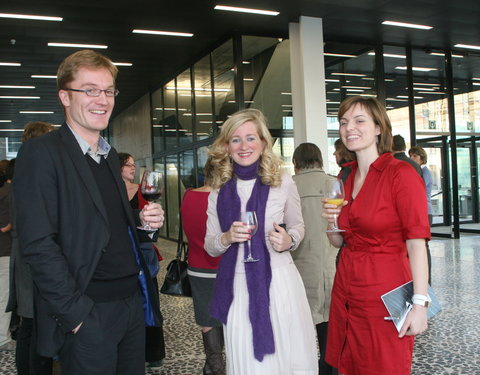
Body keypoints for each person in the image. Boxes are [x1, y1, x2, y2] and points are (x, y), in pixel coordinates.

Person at [14, 49, 164, 375]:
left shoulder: (108, 157)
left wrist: (142, 225)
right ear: (65, 97)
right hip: (89, 310)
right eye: (90, 90)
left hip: (130, 303)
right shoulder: (41, 153)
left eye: (108, 90)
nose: (103, 99)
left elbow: (104, 226)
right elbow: (38, 244)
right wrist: (76, 315)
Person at [205, 108, 318, 375]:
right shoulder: (218, 191)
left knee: (287, 359)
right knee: (249, 365)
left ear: (264, 142)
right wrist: (226, 237)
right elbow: (210, 244)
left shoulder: (283, 182)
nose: (244, 146)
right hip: (237, 287)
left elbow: (299, 226)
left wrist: (288, 240)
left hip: (280, 284)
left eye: (251, 138)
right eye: (236, 139)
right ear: (227, 146)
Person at [323, 96, 430, 375]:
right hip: (347, 288)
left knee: (385, 366)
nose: (349, 128)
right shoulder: (344, 177)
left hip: (385, 291)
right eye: (344, 122)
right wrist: (332, 222)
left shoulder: (400, 174)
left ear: (379, 128)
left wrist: (419, 305)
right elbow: (339, 242)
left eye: (360, 121)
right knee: (349, 366)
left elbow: (417, 243)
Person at [6, 121, 54, 375]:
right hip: (31, 255)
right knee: (36, 324)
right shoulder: (33, 172)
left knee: (29, 324)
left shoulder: (21, 171)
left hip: (22, 252)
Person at [291, 143, 338, 375]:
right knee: (329, 326)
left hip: (298, 265)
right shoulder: (333, 184)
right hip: (331, 264)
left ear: (296, 162)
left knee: (302, 325)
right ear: (319, 159)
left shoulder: (288, 185)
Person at [118, 152, 166, 370]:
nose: (132, 168)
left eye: (133, 164)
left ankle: (154, 352)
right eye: (128, 164)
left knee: (150, 299)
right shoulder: (111, 190)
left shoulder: (142, 189)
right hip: (119, 254)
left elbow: (152, 223)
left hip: (143, 254)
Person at [181, 157, 225, 375]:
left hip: (197, 267)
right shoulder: (224, 199)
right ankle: (218, 366)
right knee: (228, 318)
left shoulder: (188, 196)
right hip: (224, 267)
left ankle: (214, 365)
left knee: (207, 320)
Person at [409, 146, 433, 284]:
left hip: (425, 211)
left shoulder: (424, 172)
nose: (412, 159)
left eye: (415, 156)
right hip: (423, 210)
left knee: (423, 245)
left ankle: (426, 279)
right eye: (411, 156)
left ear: (422, 158)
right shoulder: (418, 171)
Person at [0, 159, 13, 350]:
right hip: (5, 250)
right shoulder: (10, 194)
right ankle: (3, 337)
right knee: (4, 294)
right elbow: (5, 227)